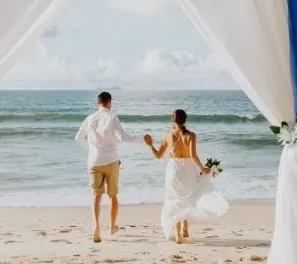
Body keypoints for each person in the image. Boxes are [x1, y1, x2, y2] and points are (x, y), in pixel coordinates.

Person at [145, 109, 229, 243]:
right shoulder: (191, 135)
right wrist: (202, 168)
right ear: (185, 120)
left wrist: (150, 145)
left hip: (174, 170)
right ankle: (185, 228)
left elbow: (158, 155)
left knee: (176, 199)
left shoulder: (168, 136)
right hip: (189, 169)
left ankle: (178, 234)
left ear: (173, 120)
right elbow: (193, 155)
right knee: (189, 196)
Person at [75, 92, 146, 243]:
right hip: (111, 161)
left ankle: (96, 227)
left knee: (96, 196)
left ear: (98, 103)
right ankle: (112, 227)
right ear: (110, 103)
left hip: (94, 162)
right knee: (112, 196)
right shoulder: (112, 117)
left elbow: (78, 138)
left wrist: (92, 142)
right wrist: (142, 139)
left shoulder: (89, 119)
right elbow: (124, 137)